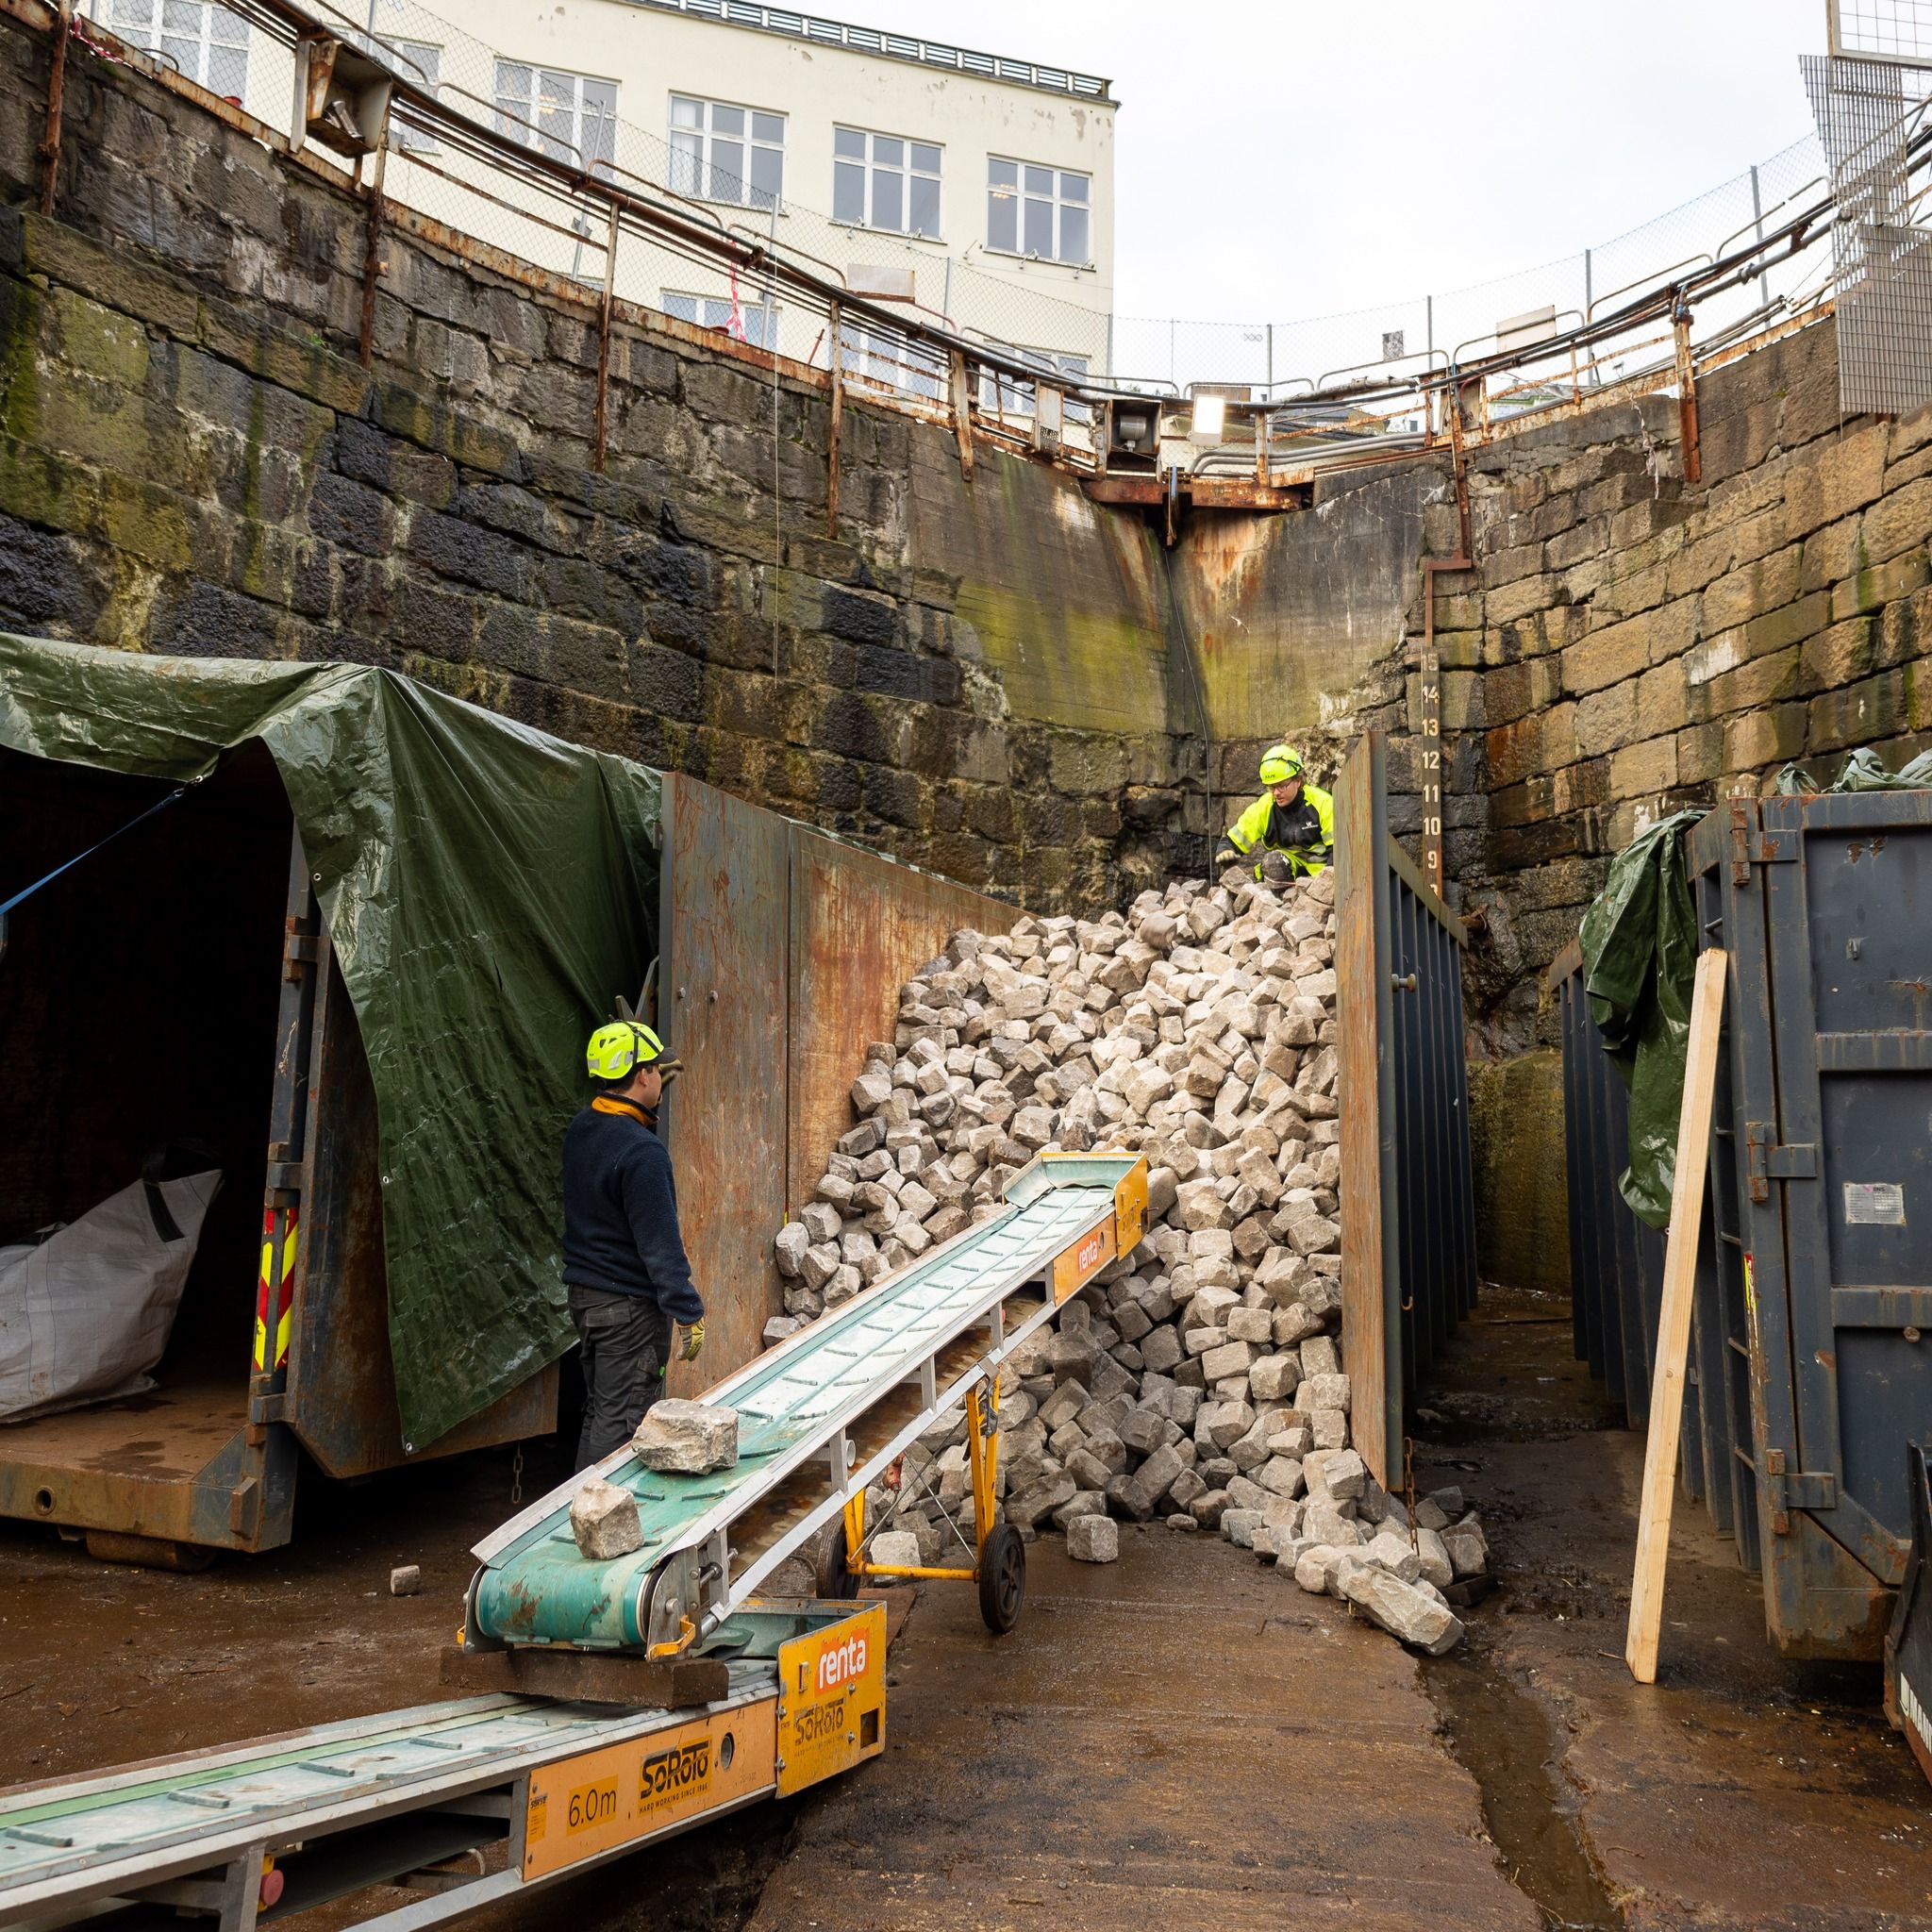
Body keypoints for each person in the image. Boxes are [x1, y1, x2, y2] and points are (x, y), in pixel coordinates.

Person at [561, 1019, 706, 1470]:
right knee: (622, 1426)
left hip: (588, 1301)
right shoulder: (641, 1152)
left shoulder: (583, 1129)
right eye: (657, 1070)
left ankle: (583, 1513)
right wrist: (688, 1311)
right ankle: (600, 1521)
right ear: (642, 1075)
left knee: (601, 1415)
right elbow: (659, 1243)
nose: (662, 1076)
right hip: (628, 1311)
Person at [1215, 743, 1336, 882]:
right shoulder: (1265, 806)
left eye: (1282, 786)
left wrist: (1326, 884)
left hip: (1321, 874)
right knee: (1273, 863)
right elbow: (1233, 840)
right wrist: (1225, 851)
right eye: (1271, 787)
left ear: (1298, 780)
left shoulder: (1323, 803)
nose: (1276, 793)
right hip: (1284, 869)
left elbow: (1338, 850)